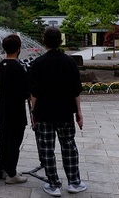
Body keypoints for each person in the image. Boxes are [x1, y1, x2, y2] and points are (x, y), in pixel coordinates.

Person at [29, 26, 87, 196]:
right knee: (69, 146)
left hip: (44, 112)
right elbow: (76, 90)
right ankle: (74, 182)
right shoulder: (69, 62)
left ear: (44, 42)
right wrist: (79, 113)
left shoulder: (38, 63)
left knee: (46, 148)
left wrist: (33, 113)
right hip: (65, 112)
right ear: (60, 41)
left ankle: (53, 184)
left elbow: (34, 93)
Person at [0, 34, 30, 184]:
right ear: (18, 49)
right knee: (14, 142)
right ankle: (12, 174)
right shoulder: (17, 67)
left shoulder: (1, 65)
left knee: (4, 139)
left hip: (3, 108)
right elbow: (23, 93)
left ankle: (5, 168)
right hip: (15, 110)